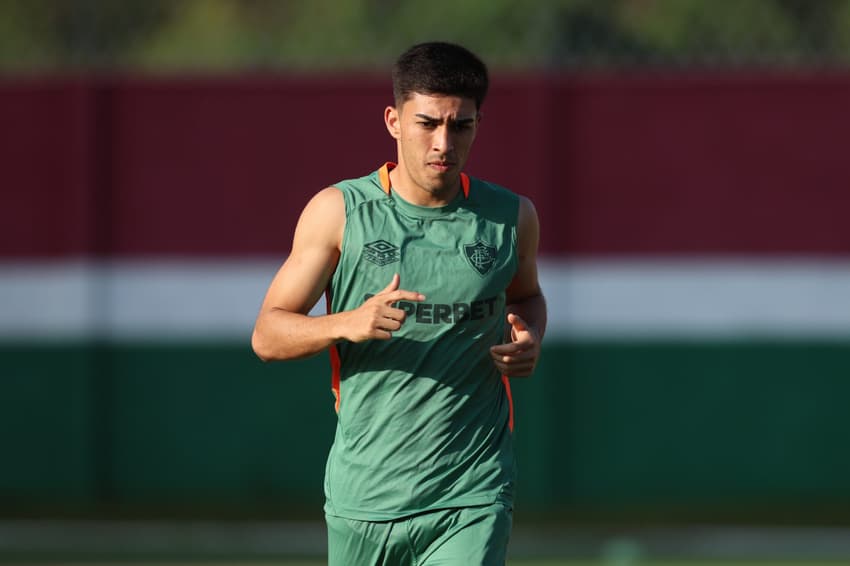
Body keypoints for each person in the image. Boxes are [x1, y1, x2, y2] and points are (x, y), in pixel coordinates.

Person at [252, 41, 546, 566]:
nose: (443, 142)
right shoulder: (338, 213)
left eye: (461, 126)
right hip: (365, 494)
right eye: (427, 123)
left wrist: (530, 337)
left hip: (472, 487)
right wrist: (346, 323)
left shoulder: (511, 218)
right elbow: (268, 335)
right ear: (393, 120)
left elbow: (526, 295)